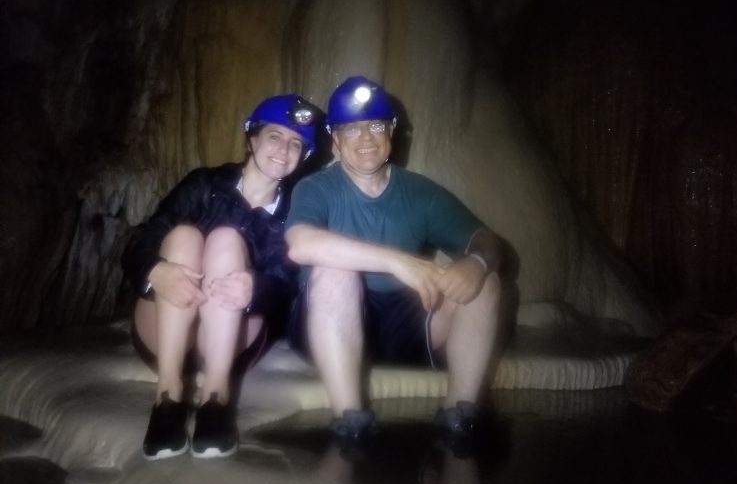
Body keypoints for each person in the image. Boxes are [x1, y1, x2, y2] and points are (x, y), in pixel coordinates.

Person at [285, 75, 502, 451]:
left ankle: (460, 417)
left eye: (375, 125)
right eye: (352, 129)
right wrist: (398, 262)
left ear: (392, 130)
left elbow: (485, 240)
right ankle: (350, 422)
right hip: (326, 323)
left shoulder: (421, 192)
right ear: (335, 139)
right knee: (334, 272)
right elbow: (300, 244)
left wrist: (478, 263)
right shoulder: (316, 188)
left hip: (404, 324)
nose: (366, 138)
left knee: (486, 282)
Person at [122, 94, 323, 461]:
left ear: (303, 156)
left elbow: (288, 284)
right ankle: (167, 395)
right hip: (166, 330)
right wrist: (156, 271)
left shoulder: (296, 211)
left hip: (233, 338)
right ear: (252, 140)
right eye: (275, 136)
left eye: (296, 143)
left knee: (226, 240)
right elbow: (144, 238)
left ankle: (216, 397)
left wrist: (256, 288)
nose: (284, 150)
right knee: (183, 236)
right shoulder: (204, 184)